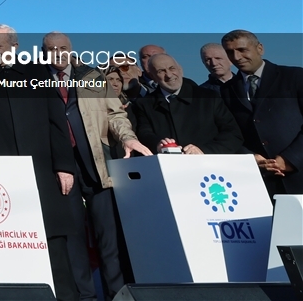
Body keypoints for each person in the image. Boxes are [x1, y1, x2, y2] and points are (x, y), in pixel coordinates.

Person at [0, 25, 79, 301]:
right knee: (11, 243)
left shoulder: (38, 72)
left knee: (54, 249)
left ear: (14, 47)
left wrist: (63, 165)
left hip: (41, 171)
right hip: (1, 174)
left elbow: (56, 121)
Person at [42, 32, 152, 301]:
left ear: (71, 50)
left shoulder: (92, 77)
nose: (58, 53)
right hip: (58, 168)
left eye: (63, 48)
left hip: (95, 164)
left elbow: (115, 113)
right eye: (52, 49)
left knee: (108, 237)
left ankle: (116, 294)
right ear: (44, 52)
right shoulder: (36, 79)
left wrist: (128, 138)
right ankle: (85, 296)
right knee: (73, 238)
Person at [220, 30, 303, 195]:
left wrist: (291, 159)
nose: (236, 57)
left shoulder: (294, 76)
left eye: (242, 50)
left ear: (260, 49)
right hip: (259, 183)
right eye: (230, 52)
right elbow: (227, 132)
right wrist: (249, 157)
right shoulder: (226, 91)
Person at [130, 53, 242, 155]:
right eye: (161, 71)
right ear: (153, 77)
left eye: (172, 68)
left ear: (180, 69)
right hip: (169, 168)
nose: (169, 75)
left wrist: (204, 150)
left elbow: (232, 133)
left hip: (210, 167)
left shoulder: (208, 97)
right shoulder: (144, 104)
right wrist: (158, 144)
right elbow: (144, 133)